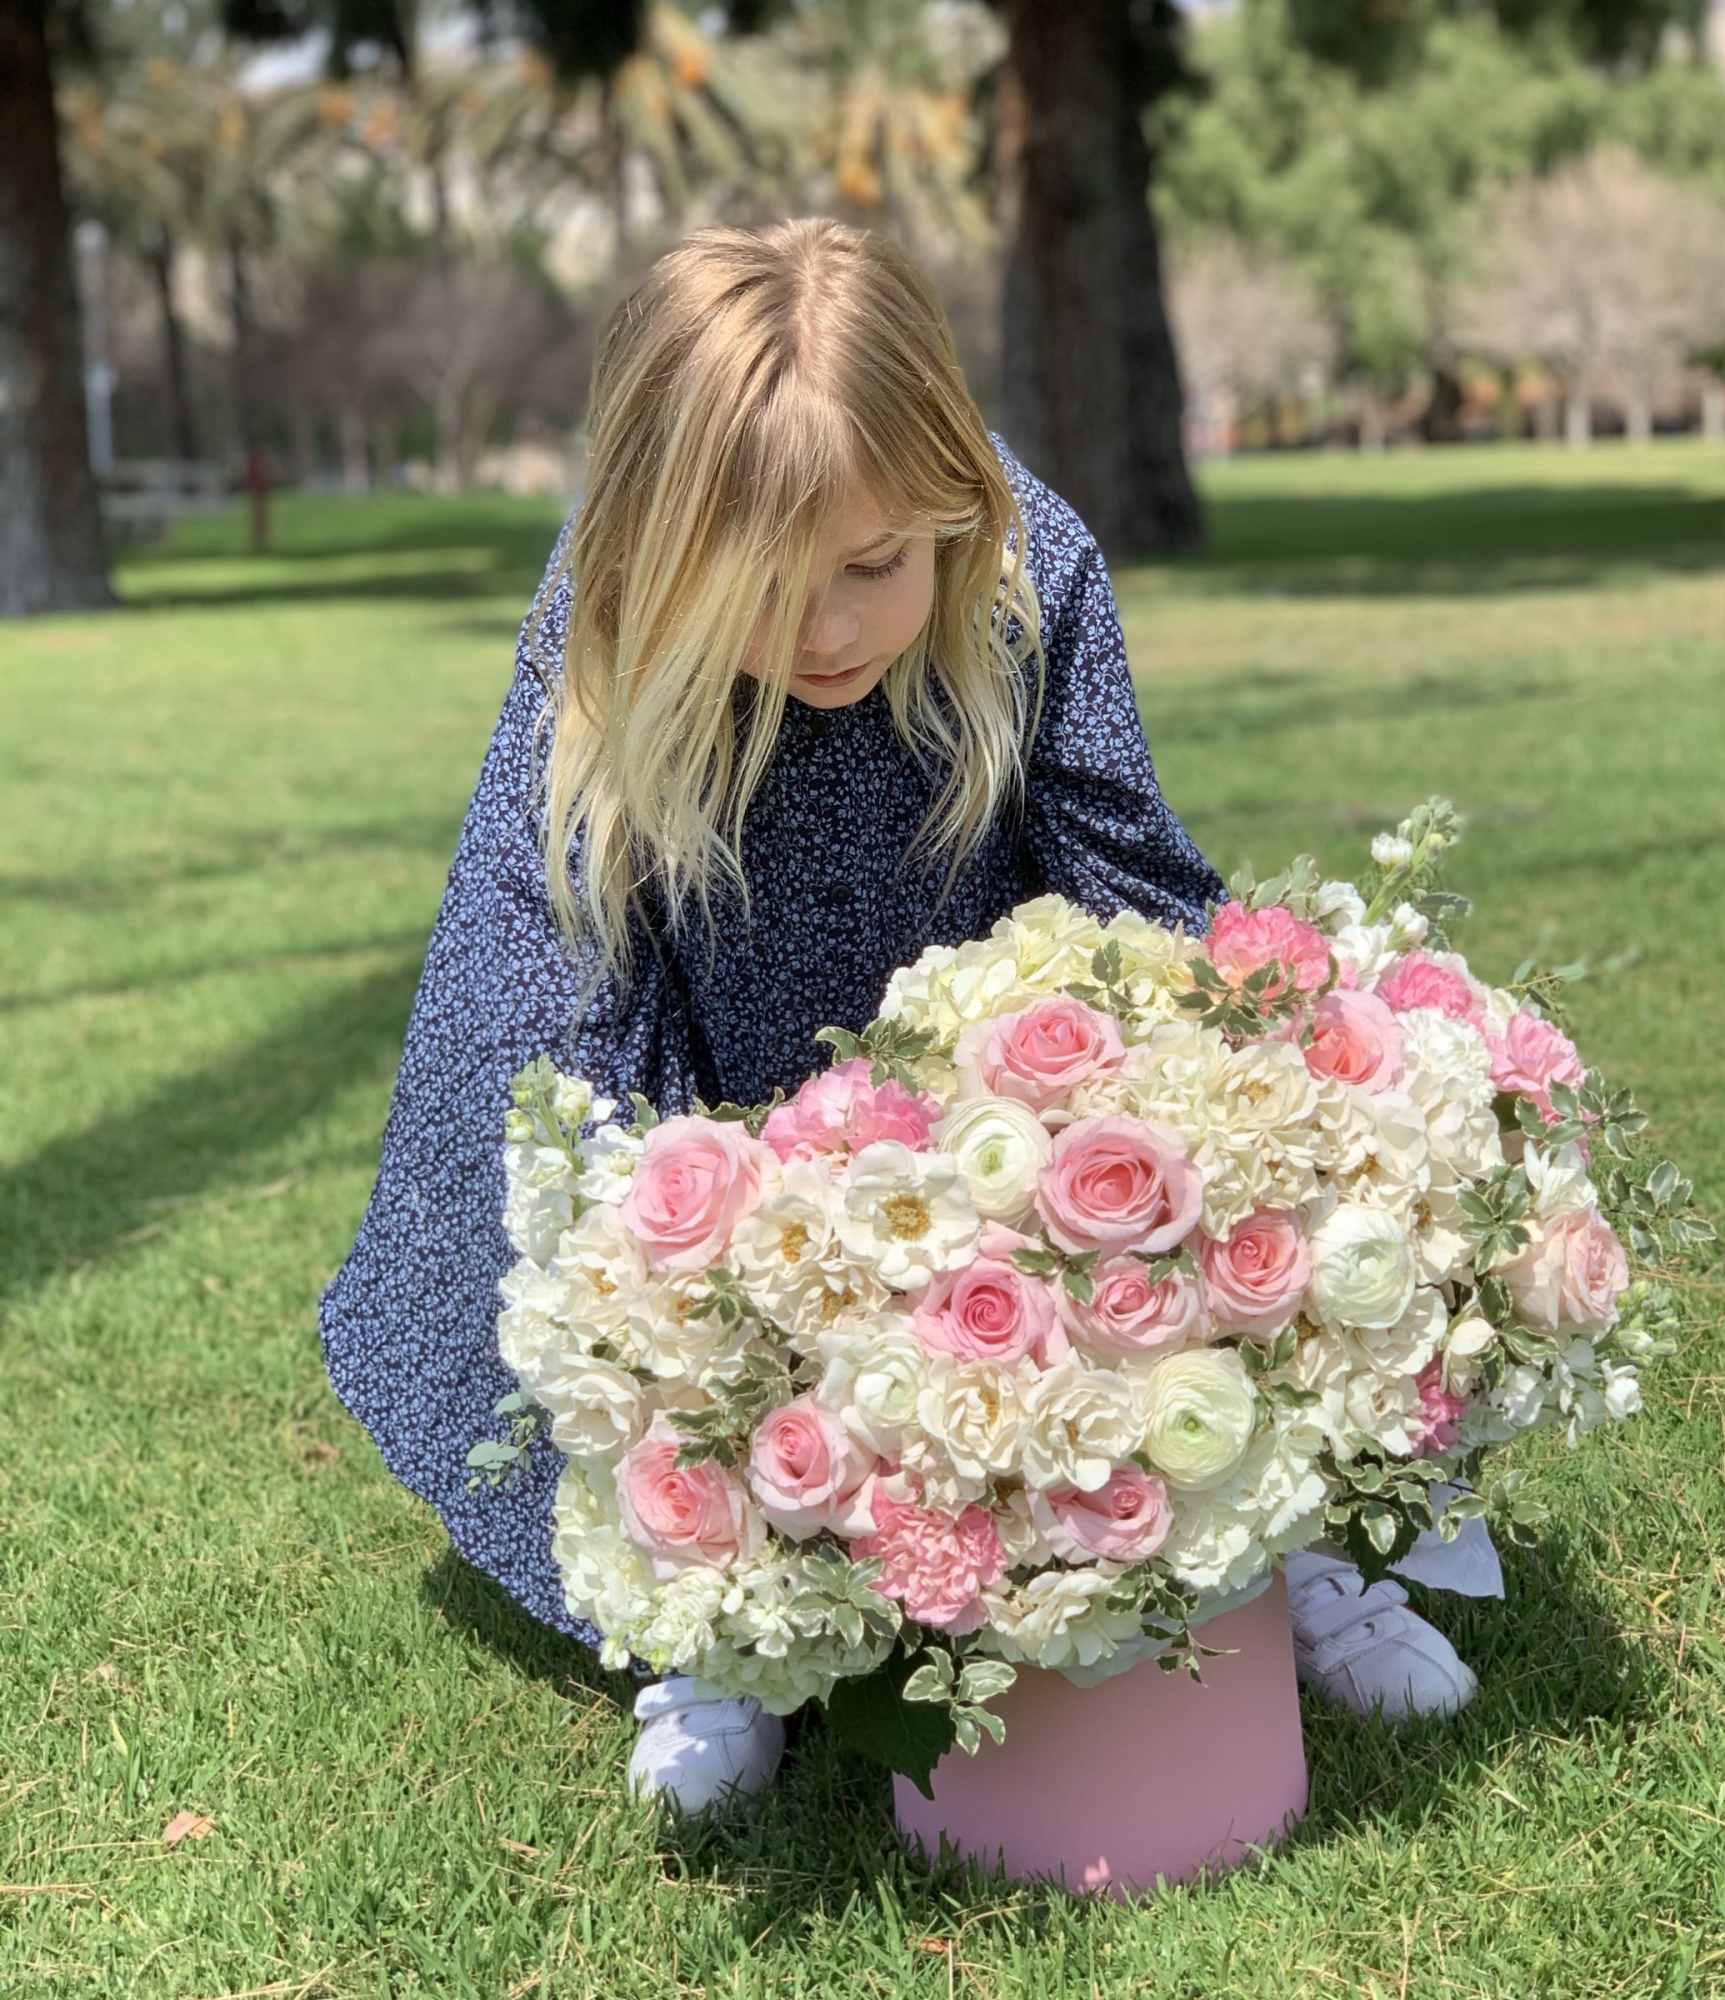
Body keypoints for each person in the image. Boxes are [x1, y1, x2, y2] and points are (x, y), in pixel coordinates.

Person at [318, 217, 1501, 1816]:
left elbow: (1123, 873)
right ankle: (716, 1606)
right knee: (596, 1203)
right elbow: (559, 966)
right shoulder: (605, 607)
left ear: (953, 499)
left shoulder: (1032, 572)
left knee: (1178, 1203)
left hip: (988, 1087)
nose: (826, 634)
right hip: (713, 1075)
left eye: (877, 567)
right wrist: (646, 1235)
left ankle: (1274, 1551)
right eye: (765, 587)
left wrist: (1238, 1082)